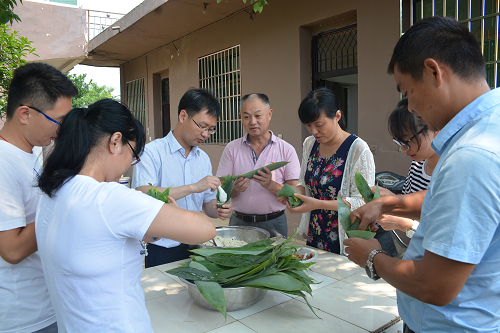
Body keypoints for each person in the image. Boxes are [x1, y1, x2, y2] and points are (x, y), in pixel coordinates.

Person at [344, 16, 500, 332]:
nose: (411, 107)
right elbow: (450, 202)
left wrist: (372, 257)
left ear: (433, 71)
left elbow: (435, 286)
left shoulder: (470, 157)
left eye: (408, 91)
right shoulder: (488, 131)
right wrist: (387, 204)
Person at [35, 99, 216, 332]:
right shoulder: (109, 197)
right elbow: (205, 229)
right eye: (132, 155)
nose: (129, 165)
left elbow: (94, 243)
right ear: (115, 141)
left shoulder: (52, 191)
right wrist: (176, 213)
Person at [0, 62, 78, 333]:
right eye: (59, 121)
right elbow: (11, 250)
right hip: (24, 316)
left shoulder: (31, 153)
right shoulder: (3, 163)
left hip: (47, 303)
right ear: (25, 114)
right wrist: (65, 205)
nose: (61, 130)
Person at [132, 88, 230, 268]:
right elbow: (143, 193)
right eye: (202, 126)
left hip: (196, 246)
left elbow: (207, 204)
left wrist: (218, 209)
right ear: (183, 116)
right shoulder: (153, 153)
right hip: (163, 247)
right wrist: (193, 187)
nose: (206, 134)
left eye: (211, 130)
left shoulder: (204, 159)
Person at [279, 87, 375, 255]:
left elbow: (364, 202)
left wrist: (318, 204)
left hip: (343, 236)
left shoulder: (358, 149)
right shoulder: (310, 144)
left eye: (319, 125)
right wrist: (293, 195)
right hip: (314, 230)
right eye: (308, 125)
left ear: (337, 116)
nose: (313, 131)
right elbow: (304, 181)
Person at [216, 93, 300, 238]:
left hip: (274, 222)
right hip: (239, 222)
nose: (252, 122)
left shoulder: (286, 150)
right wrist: (234, 189)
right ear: (240, 117)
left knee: (274, 260)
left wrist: (270, 184)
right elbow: (221, 191)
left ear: (269, 114)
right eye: (246, 116)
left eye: (258, 116)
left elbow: (295, 194)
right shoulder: (232, 148)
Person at [378, 98, 439, 252]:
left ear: (433, 129)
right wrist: (389, 196)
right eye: (399, 142)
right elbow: (408, 205)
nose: (404, 149)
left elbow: (444, 235)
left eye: (407, 140)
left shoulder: (450, 173)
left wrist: (404, 224)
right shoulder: (418, 164)